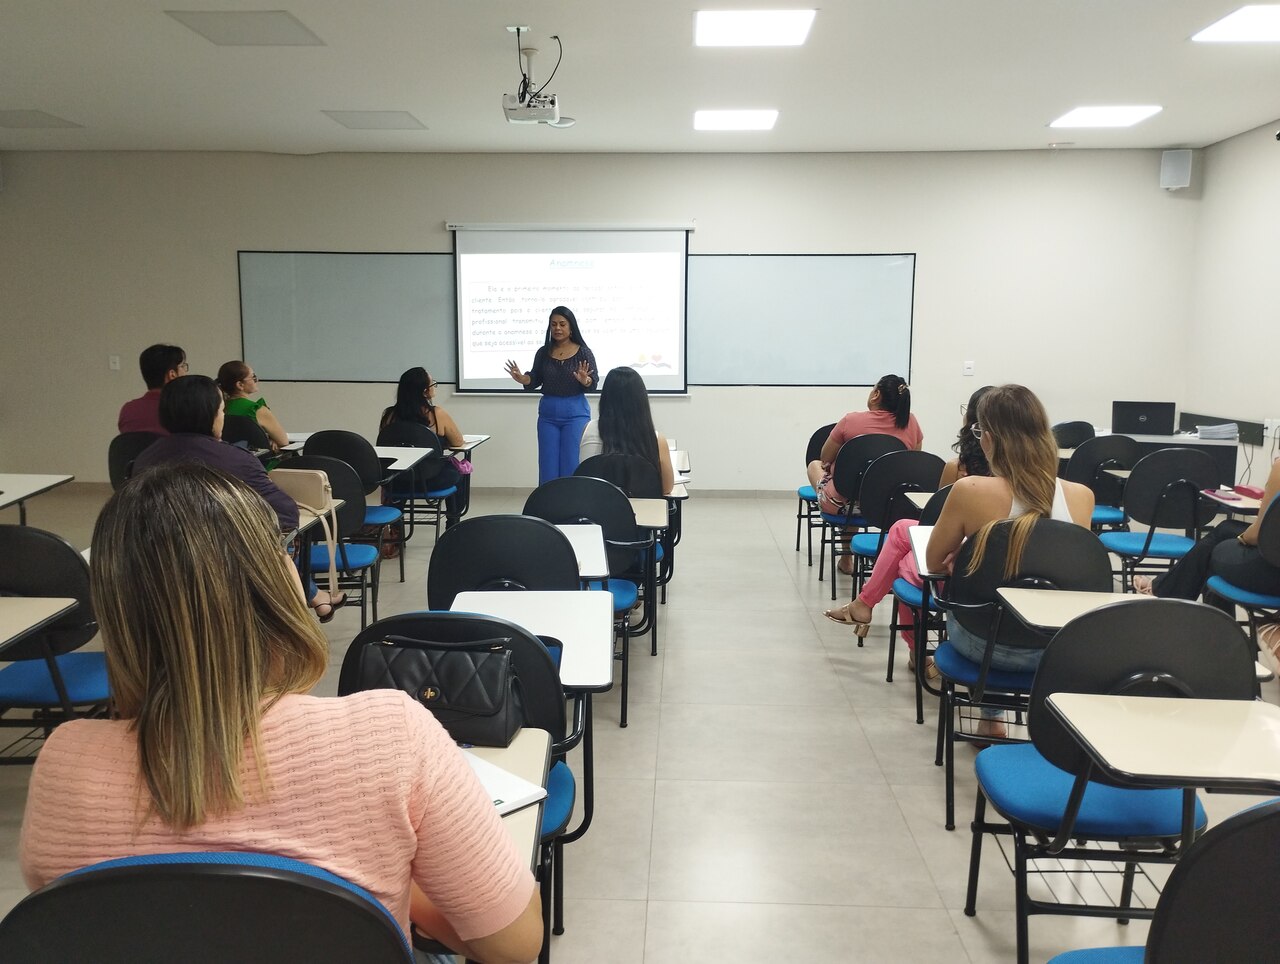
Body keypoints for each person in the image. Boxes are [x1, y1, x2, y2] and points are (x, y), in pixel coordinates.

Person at [19, 464, 542, 963]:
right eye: (286, 552)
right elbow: (515, 945)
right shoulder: (391, 736)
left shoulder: (63, 764)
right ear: (272, 584)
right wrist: (399, 891)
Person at [924, 384, 1094, 736]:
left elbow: (935, 563)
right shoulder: (1081, 497)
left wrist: (971, 559)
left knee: (988, 608)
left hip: (982, 644)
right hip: (1057, 648)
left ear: (987, 438)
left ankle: (991, 719)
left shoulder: (970, 490)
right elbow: (1075, 575)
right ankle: (1011, 720)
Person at [132, 374, 345, 622]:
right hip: (225, 565)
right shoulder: (235, 459)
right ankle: (307, 604)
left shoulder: (144, 459)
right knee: (279, 546)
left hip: (159, 563)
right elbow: (285, 513)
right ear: (211, 415)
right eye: (222, 410)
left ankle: (316, 596)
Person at [824, 386, 995, 676]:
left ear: (977, 428)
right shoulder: (1041, 486)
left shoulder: (959, 472)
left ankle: (896, 633)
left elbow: (940, 530)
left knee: (904, 562)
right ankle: (867, 607)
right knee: (903, 530)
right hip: (998, 578)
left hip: (962, 577)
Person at [1134, 456, 1280, 663]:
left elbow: (1256, 536)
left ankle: (1217, 643)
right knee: (1225, 529)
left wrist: (1243, 538)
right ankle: (1218, 643)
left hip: (1270, 575)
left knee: (1214, 551)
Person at [806, 373, 924, 574]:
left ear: (876, 394)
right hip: (888, 506)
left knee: (818, 467)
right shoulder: (911, 423)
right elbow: (912, 462)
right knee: (863, 486)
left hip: (844, 506)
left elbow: (825, 457)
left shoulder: (851, 421)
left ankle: (847, 559)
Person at [505, 306, 599, 485]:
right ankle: (548, 501)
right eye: (554, 324)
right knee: (547, 464)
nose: (557, 328)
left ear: (571, 328)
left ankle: (571, 500)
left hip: (575, 414)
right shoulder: (543, 352)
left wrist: (585, 380)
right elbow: (534, 379)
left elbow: (592, 383)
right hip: (548, 415)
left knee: (571, 463)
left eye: (562, 324)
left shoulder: (584, 352)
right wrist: (522, 378)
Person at [380, 367, 468, 528]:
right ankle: (453, 524)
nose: (435, 387)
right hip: (431, 480)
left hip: (396, 481)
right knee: (459, 473)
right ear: (424, 391)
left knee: (401, 478)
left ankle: (396, 528)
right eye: (433, 384)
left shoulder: (389, 415)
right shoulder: (437, 414)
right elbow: (458, 442)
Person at [579, 366, 676, 495]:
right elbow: (667, 488)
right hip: (642, 507)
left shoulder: (587, 430)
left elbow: (583, 480)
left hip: (594, 505)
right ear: (641, 401)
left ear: (605, 397)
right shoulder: (655, 439)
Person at [216, 360, 289, 450]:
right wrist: (270, 439)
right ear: (240, 385)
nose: (257, 380)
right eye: (253, 377)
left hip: (225, 456)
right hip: (256, 458)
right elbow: (283, 442)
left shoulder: (217, 409)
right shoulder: (257, 410)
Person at [117, 343, 186, 434]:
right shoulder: (185, 409)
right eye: (183, 366)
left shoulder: (128, 410)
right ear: (172, 375)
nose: (185, 372)